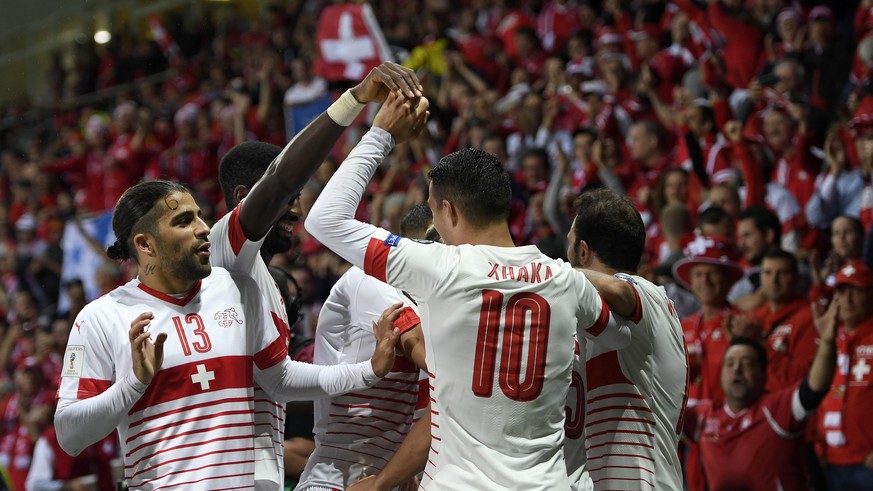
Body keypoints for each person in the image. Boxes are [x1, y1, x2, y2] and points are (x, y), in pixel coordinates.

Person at [305, 94, 630, 490]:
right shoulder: (565, 279)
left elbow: (324, 219)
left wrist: (381, 134)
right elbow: (618, 334)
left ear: (449, 211)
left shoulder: (440, 269)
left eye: (435, 213)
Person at [54, 180, 399, 490]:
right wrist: (133, 385)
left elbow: (280, 378)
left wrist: (368, 371)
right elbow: (69, 434)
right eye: (183, 221)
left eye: (199, 216)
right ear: (145, 244)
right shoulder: (100, 318)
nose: (203, 229)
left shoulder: (237, 287)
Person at [211, 61, 424, 490]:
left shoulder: (265, 281)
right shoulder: (223, 254)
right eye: (289, 199)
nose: (297, 207)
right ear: (244, 199)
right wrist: (356, 104)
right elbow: (281, 380)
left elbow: (279, 379)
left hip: (262, 469)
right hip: (224, 472)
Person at [295, 205, 432, 490]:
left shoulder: (428, 307)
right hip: (339, 478)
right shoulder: (369, 279)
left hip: (387, 476)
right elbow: (435, 359)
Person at [567, 188, 687, 490]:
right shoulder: (598, 314)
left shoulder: (646, 293)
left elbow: (620, 291)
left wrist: (553, 272)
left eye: (567, 244)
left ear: (583, 252)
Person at [683, 312, 837, 490]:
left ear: (764, 374)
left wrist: (826, 343)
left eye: (746, 363)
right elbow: (655, 411)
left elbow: (814, 388)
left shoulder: (778, 408)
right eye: (730, 363)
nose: (737, 370)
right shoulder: (703, 415)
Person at [817, 262, 873, 490]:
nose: (847, 300)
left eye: (856, 291)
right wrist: (818, 447)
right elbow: (816, 392)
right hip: (831, 462)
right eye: (841, 292)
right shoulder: (828, 339)